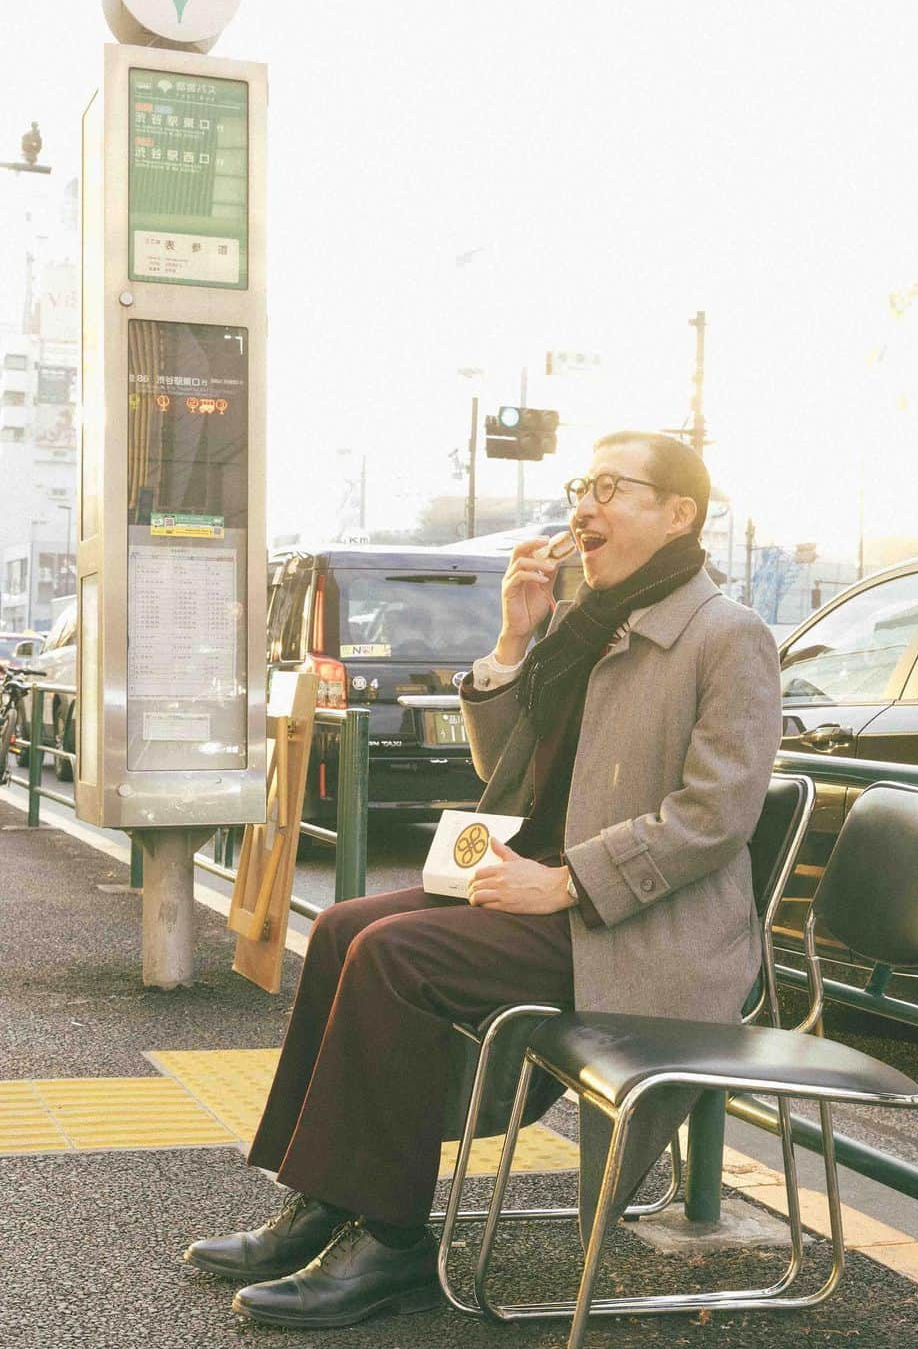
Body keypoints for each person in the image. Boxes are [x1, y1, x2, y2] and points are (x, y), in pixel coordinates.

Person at [183, 430, 782, 1331]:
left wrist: (567, 882)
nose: (584, 507)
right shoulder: (592, 625)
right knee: (344, 925)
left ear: (678, 514)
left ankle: (391, 1242)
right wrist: (512, 639)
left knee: (395, 957)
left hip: (641, 929)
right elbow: (513, 777)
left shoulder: (725, 635)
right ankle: (326, 1196)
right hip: (556, 894)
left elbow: (716, 816)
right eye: (584, 485)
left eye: (612, 489)